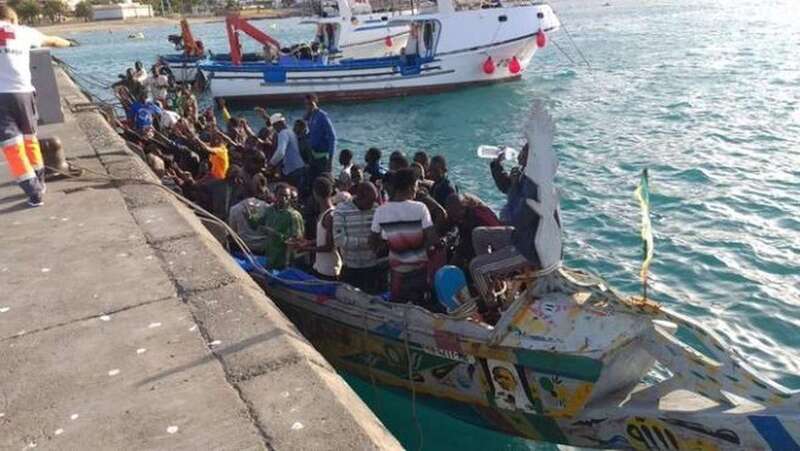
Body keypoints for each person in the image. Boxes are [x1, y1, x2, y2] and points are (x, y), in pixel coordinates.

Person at [0, 5, 73, 206]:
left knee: (12, 146)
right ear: (13, 19)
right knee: (29, 139)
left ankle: (33, 191)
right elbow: (53, 40)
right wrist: (68, 43)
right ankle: (40, 180)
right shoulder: (24, 32)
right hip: (24, 93)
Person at [370, 168, 437, 304]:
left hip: (397, 273)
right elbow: (432, 239)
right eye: (417, 186)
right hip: (420, 271)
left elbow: (372, 241)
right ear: (411, 186)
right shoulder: (420, 208)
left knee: (397, 305)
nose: (416, 190)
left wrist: (389, 245)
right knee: (419, 305)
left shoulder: (382, 210)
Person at [333, 181, 384, 294]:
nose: (372, 204)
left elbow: (381, 236)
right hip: (350, 268)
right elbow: (339, 240)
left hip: (372, 267)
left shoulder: (376, 209)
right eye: (370, 201)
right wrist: (368, 242)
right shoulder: (341, 210)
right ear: (360, 196)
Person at [295, 177, 342, 280]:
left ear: (315, 193)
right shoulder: (327, 214)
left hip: (329, 271)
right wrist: (309, 242)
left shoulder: (330, 216)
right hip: (321, 267)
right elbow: (325, 239)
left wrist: (305, 249)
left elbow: (329, 247)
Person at [444, 193, 502, 268]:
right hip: (475, 244)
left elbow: (466, 245)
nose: (454, 218)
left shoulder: (476, 218)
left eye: (455, 214)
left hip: (494, 250)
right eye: (450, 213)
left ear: (463, 208)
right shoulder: (461, 215)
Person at [261, 183, 305, 270]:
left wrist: (277, 235)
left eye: (287, 196)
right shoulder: (270, 210)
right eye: (281, 195)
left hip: (285, 259)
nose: (284, 199)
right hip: (270, 255)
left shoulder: (293, 215)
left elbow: (298, 241)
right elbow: (257, 224)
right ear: (275, 195)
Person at [228, 174, 272, 254]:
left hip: (243, 249)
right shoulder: (269, 209)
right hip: (264, 250)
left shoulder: (235, 209)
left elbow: (233, 234)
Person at [491, 142, 528, 223]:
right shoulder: (522, 172)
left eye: (524, 151)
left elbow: (519, 208)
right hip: (508, 221)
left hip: (517, 226)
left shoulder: (532, 179)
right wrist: (496, 164)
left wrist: (515, 185)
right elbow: (505, 187)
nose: (520, 153)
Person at [268, 112, 305, 190]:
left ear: (277, 124)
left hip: (292, 171)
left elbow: (281, 152)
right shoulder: (291, 132)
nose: (274, 129)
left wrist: (271, 163)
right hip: (300, 167)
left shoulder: (283, 133)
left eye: (274, 126)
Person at [305, 94, 336, 175]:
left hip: (323, 156)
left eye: (311, 104)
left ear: (316, 102)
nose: (309, 106)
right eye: (307, 104)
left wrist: (330, 160)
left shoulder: (322, 116)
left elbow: (332, 137)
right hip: (313, 155)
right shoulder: (310, 116)